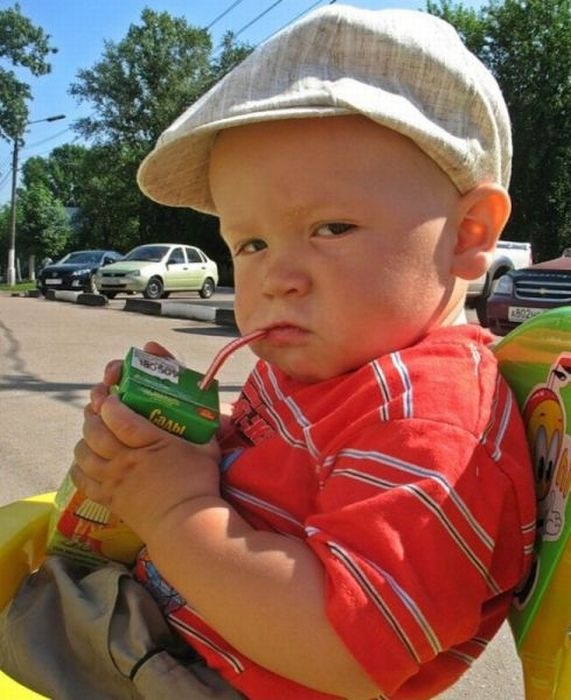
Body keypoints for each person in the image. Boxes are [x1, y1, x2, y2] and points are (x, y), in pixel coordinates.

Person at [71, 5, 536, 699]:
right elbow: (266, 478)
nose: (275, 277)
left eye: (330, 227)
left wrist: (171, 508)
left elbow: (346, 650)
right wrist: (162, 448)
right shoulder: (316, 361)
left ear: (468, 234)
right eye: (251, 243)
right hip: (154, 629)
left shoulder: (430, 424)